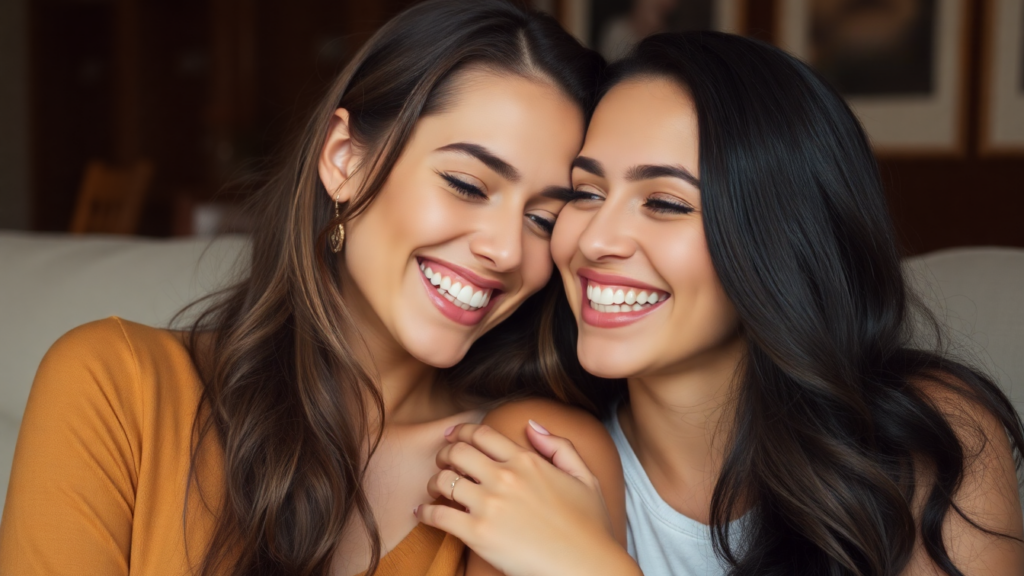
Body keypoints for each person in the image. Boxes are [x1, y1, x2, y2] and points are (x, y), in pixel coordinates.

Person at [0, 2, 627, 575]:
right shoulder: (117, 387)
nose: (506, 249)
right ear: (343, 158)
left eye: (543, 218)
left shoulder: (531, 456)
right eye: (466, 184)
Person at [418, 32, 1024, 576]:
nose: (595, 240)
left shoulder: (934, 438)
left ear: (779, 242)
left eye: (666, 203)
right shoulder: (538, 452)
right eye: (585, 191)